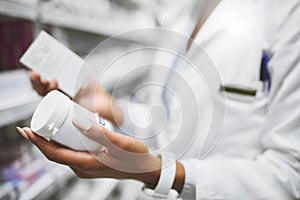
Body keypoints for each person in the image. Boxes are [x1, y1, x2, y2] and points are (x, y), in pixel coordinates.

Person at [17, 0, 300, 199]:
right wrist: (112, 110)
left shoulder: (287, 13)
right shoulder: (184, 14)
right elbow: (172, 121)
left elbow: (291, 176)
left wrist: (157, 172)